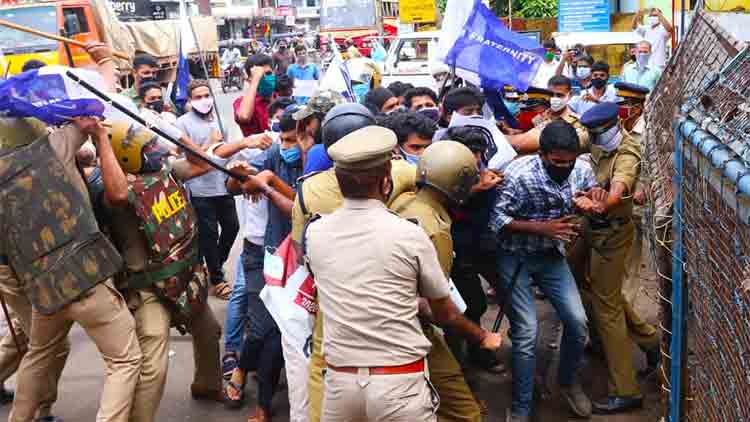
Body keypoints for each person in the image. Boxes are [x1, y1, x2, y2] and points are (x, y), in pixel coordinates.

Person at [306, 126, 503, 422]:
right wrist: (482, 336)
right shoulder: (413, 234)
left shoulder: (316, 232)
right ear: (386, 182)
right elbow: (439, 310)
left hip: (340, 381)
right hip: (398, 380)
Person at [4, 116, 143, 422]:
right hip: (86, 276)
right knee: (124, 359)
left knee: (38, 355)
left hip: (43, 286)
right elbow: (89, 119)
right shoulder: (54, 146)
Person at [90, 121, 227, 421]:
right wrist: (101, 140)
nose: (157, 152)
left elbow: (201, 165)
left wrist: (176, 135)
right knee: (154, 364)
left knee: (208, 331)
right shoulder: (115, 191)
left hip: (184, 276)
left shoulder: (164, 174)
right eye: (148, 148)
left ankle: (207, 384)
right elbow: (116, 194)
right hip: (148, 289)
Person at [491, 120, 597, 422]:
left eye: (569, 161)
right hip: (515, 256)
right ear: (542, 155)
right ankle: (522, 403)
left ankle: (567, 381)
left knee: (577, 322)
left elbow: (590, 194)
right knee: (526, 333)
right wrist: (542, 228)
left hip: (550, 256)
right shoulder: (518, 175)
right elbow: (496, 220)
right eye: (556, 162)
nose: (564, 167)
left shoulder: (582, 171)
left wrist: (590, 201)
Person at [219, 107, 303, 422]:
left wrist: (268, 183)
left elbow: (301, 204)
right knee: (263, 327)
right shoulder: (272, 158)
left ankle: (264, 401)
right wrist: (238, 174)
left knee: (281, 334)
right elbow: (238, 187)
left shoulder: (318, 163)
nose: (287, 145)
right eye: (282, 139)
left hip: (300, 258)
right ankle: (244, 371)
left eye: (293, 139)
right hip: (267, 255)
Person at [576, 103, 660, 414]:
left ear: (617, 124)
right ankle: (650, 341)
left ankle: (626, 389)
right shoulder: (596, 142)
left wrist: (602, 202)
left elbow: (617, 189)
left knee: (606, 307)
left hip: (612, 231)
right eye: (593, 133)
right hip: (590, 228)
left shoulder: (626, 152)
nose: (598, 138)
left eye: (602, 132)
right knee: (584, 284)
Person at [0, 118, 71, 422]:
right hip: (16, 265)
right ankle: (40, 409)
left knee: (26, 332)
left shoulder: (23, 124)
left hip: (32, 259)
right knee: (50, 342)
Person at [437, 127, 504, 373]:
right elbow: (441, 201)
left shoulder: (484, 172)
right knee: (469, 305)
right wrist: (474, 189)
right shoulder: (444, 173)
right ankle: (466, 360)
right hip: (454, 250)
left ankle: (479, 352)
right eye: (470, 152)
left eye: (479, 152)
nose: (476, 158)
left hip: (483, 245)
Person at [175, 80, 239, 300]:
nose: (204, 100)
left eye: (206, 95)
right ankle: (217, 279)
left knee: (232, 227)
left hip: (222, 185)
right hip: (200, 189)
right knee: (209, 234)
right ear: (191, 101)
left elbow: (227, 151)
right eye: (198, 97)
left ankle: (213, 266)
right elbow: (190, 157)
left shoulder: (220, 120)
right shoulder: (182, 124)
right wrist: (211, 143)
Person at [507, 76, 589, 154]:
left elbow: (524, 143)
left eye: (559, 95)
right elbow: (530, 134)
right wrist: (512, 131)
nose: (554, 98)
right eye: (551, 95)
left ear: (570, 95)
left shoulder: (578, 123)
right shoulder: (542, 115)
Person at [293, 90, 345, 175]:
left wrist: (307, 153)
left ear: (324, 121)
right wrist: (306, 152)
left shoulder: (319, 153)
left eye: (308, 121)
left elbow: (307, 187)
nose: (307, 129)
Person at [236, 54, 277, 137]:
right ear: (248, 79)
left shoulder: (280, 97)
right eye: (261, 76)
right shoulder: (242, 102)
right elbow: (244, 116)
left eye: (268, 73)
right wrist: (256, 79)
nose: (265, 78)